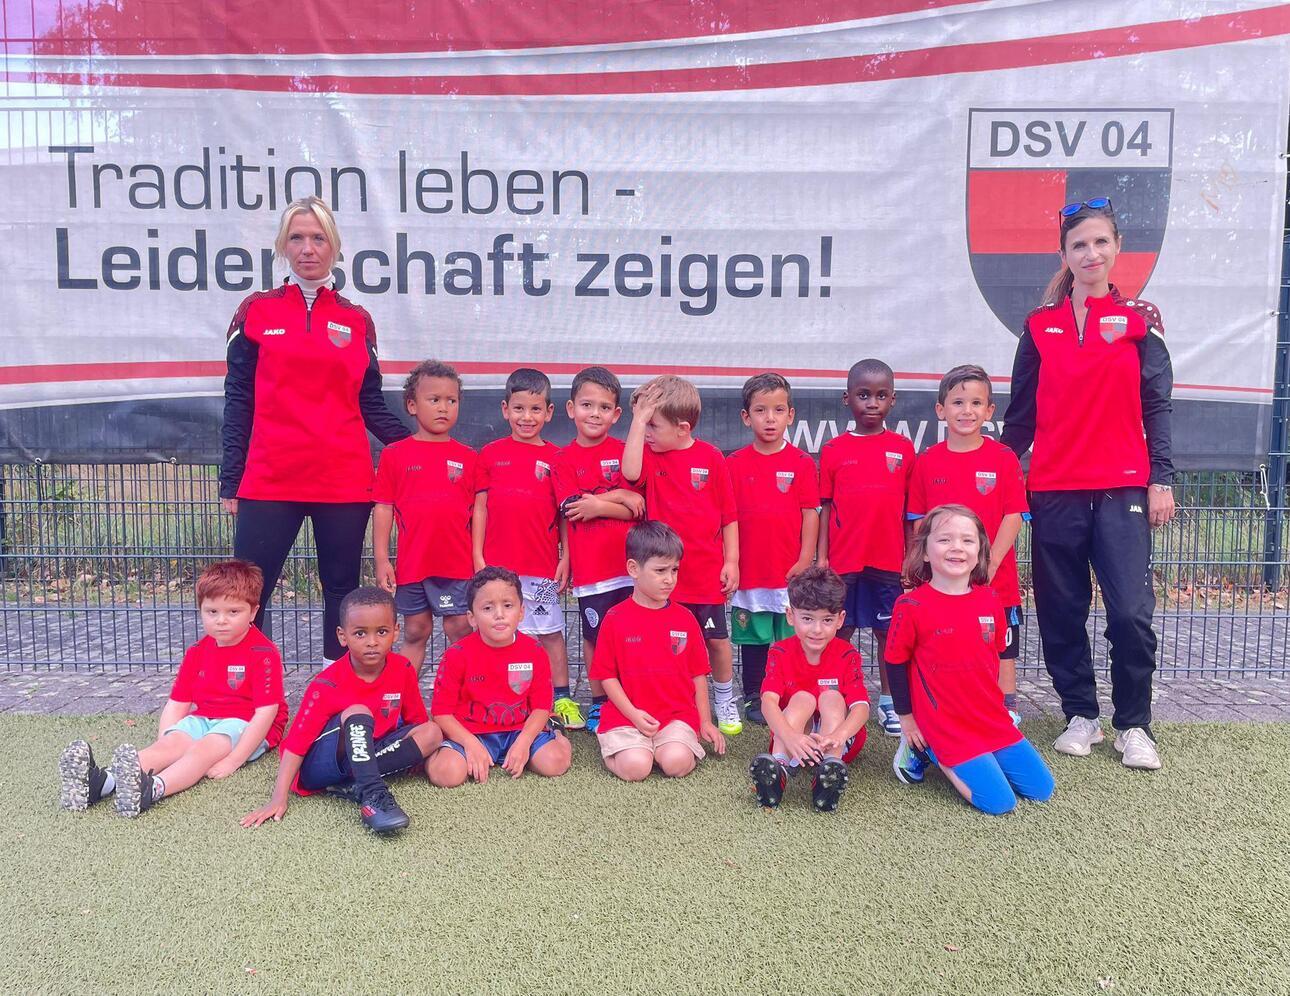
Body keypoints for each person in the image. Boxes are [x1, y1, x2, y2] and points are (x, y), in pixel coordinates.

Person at [1002, 196, 1176, 770]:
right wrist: (1003, 478)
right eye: (1080, 244)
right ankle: (1082, 713)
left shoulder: (1140, 322)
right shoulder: (1039, 327)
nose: (1091, 253)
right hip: (1053, 488)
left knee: (1130, 612)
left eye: (1101, 242)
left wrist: (1162, 479)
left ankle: (1135, 725)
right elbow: (1020, 416)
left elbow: (1157, 407)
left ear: (1117, 249)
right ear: (1064, 254)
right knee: (1060, 608)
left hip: (1123, 487)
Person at [220, 195, 409, 664]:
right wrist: (231, 480)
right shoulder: (255, 311)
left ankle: (337, 693)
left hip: (343, 483)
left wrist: (420, 448)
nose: (308, 248)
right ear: (283, 246)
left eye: (318, 238)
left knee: (342, 590)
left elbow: (370, 405)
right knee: (250, 590)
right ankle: (250, 697)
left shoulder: (356, 319)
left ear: (335, 247)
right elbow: (238, 401)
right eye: (298, 238)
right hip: (269, 479)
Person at [59, 560, 287, 817]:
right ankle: (101, 783)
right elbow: (178, 703)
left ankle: (152, 789)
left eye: (233, 612)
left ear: (253, 612)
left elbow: (267, 712)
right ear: (201, 610)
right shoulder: (197, 652)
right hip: (204, 718)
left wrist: (235, 760)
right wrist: (167, 742)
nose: (221, 621)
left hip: (246, 724)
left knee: (203, 749)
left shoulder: (263, 653)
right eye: (212, 612)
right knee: (172, 744)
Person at [887, 505, 1055, 815]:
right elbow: (895, 663)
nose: (956, 548)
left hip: (988, 716)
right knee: (999, 803)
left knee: (1042, 789)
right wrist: (907, 720)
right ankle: (930, 751)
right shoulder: (910, 605)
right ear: (924, 551)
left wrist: (1005, 706)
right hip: (943, 723)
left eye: (967, 540)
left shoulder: (990, 599)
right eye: (944, 539)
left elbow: (1001, 655)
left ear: (979, 552)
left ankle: (980, 755)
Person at [241, 587, 443, 835]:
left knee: (432, 732)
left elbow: (416, 721)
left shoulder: (402, 669)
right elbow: (296, 745)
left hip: (370, 752)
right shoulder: (326, 684)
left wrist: (426, 758)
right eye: (360, 633)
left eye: (382, 632)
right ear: (342, 636)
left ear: (396, 631)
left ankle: (354, 781)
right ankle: (372, 793)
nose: (372, 642)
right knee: (358, 711)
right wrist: (278, 797)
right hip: (321, 766)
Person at [622, 375, 742, 736]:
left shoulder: (712, 458)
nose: (647, 434)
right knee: (664, 641)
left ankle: (724, 698)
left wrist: (731, 560)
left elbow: (729, 516)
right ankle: (673, 699)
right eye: (644, 426)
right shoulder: (646, 453)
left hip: (705, 573)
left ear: (683, 427)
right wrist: (639, 422)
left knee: (716, 640)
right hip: (663, 576)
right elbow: (629, 472)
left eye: (653, 426)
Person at [908, 365, 1028, 723]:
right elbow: (919, 521)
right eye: (957, 402)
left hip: (995, 581)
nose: (967, 410)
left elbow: (1014, 514)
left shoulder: (1003, 458)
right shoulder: (927, 462)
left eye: (976, 403)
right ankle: (944, 706)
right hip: (942, 582)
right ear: (940, 410)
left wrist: (989, 565)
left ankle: (1006, 710)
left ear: (990, 412)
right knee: (946, 643)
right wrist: (926, 566)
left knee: (1000, 644)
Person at [472, 368, 581, 731]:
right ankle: (503, 700)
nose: (526, 417)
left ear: (549, 412)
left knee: (549, 631)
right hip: (500, 570)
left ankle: (561, 698)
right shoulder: (489, 454)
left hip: (543, 567)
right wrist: (478, 557)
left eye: (535, 409)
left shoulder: (558, 458)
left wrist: (566, 555)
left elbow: (565, 511)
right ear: (505, 409)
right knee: (500, 633)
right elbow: (481, 508)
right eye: (519, 409)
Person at [817, 358, 915, 737]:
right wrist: (823, 557)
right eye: (863, 395)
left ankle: (889, 702)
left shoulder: (903, 449)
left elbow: (911, 512)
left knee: (888, 634)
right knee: (837, 631)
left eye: (880, 396)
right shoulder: (834, 450)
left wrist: (910, 557)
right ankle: (833, 695)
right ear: (847, 399)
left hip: (889, 563)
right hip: (844, 563)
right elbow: (825, 507)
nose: (871, 403)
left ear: (893, 400)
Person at [590, 522, 726, 781]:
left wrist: (706, 722)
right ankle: (619, 750)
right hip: (626, 716)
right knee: (636, 768)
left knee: (676, 763)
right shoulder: (615, 618)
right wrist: (633, 714)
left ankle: (661, 747)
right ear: (633, 569)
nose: (670, 579)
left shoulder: (685, 619)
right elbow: (607, 677)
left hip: (675, 716)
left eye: (674, 569)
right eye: (660, 570)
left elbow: (698, 675)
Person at [552, 366, 646, 733]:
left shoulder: (627, 453)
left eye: (604, 407)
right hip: (592, 573)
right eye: (587, 405)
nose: (595, 413)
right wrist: (618, 497)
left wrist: (605, 502)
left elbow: (640, 506)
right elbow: (573, 507)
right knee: (595, 638)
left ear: (617, 414)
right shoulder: (561, 460)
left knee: (635, 635)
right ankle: (599, 704)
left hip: (632, 568)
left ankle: (636, 702)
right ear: (571, 408)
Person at [727, 372, 820, 725]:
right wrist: (731, 561)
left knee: (787, 636)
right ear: (746, 417)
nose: (770, 418)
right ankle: (753, 695)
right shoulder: (733, 464)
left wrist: (804, 559)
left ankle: (790, 692)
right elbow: (728, 518)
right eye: (761, 410)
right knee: (754, 637)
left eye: (778, 410)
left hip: (787, 570)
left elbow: (810, 514)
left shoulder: (800, 463)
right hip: (751, 570)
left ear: (790, 415)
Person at [426, 567, 573, 787]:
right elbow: (441, 713)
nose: (499, 614)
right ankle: (433, 756)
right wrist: (470, 744)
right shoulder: (457, 655)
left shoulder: (534, 651)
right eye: (487, 608)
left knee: (555, 763)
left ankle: (557, 732)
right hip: (471, 731)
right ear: (472, 618)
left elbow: (541, 706)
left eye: (508, 605)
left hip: (518, 729)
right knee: (446, 775)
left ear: (521, 612)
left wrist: (524, 742)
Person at [373, 360, 477, 672]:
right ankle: (401, 703)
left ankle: (467, 700)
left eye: (451, 400)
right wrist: (381, 559)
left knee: (460, 629)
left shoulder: (469, 458)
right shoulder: (395, 454)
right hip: (413, 564)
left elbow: (480, 513)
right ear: (412, 405)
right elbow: (383, 507)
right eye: (434, 400)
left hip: (457, 565)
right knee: (416, 630)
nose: (444, 407)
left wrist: (478, 556)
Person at [750, 566, 869, 812]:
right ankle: (779, 769)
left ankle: (829, 771)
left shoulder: (847, 654)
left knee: (832, 697)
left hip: (835, 738)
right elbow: (768, 702)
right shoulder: (780, 652)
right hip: (793, 737)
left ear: (840, 620)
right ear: (790, 616)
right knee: (803, 698)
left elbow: (861, 708)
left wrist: (839, 735)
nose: (816, 629)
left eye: (826, 620)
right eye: (807, 618)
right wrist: (791, 737)